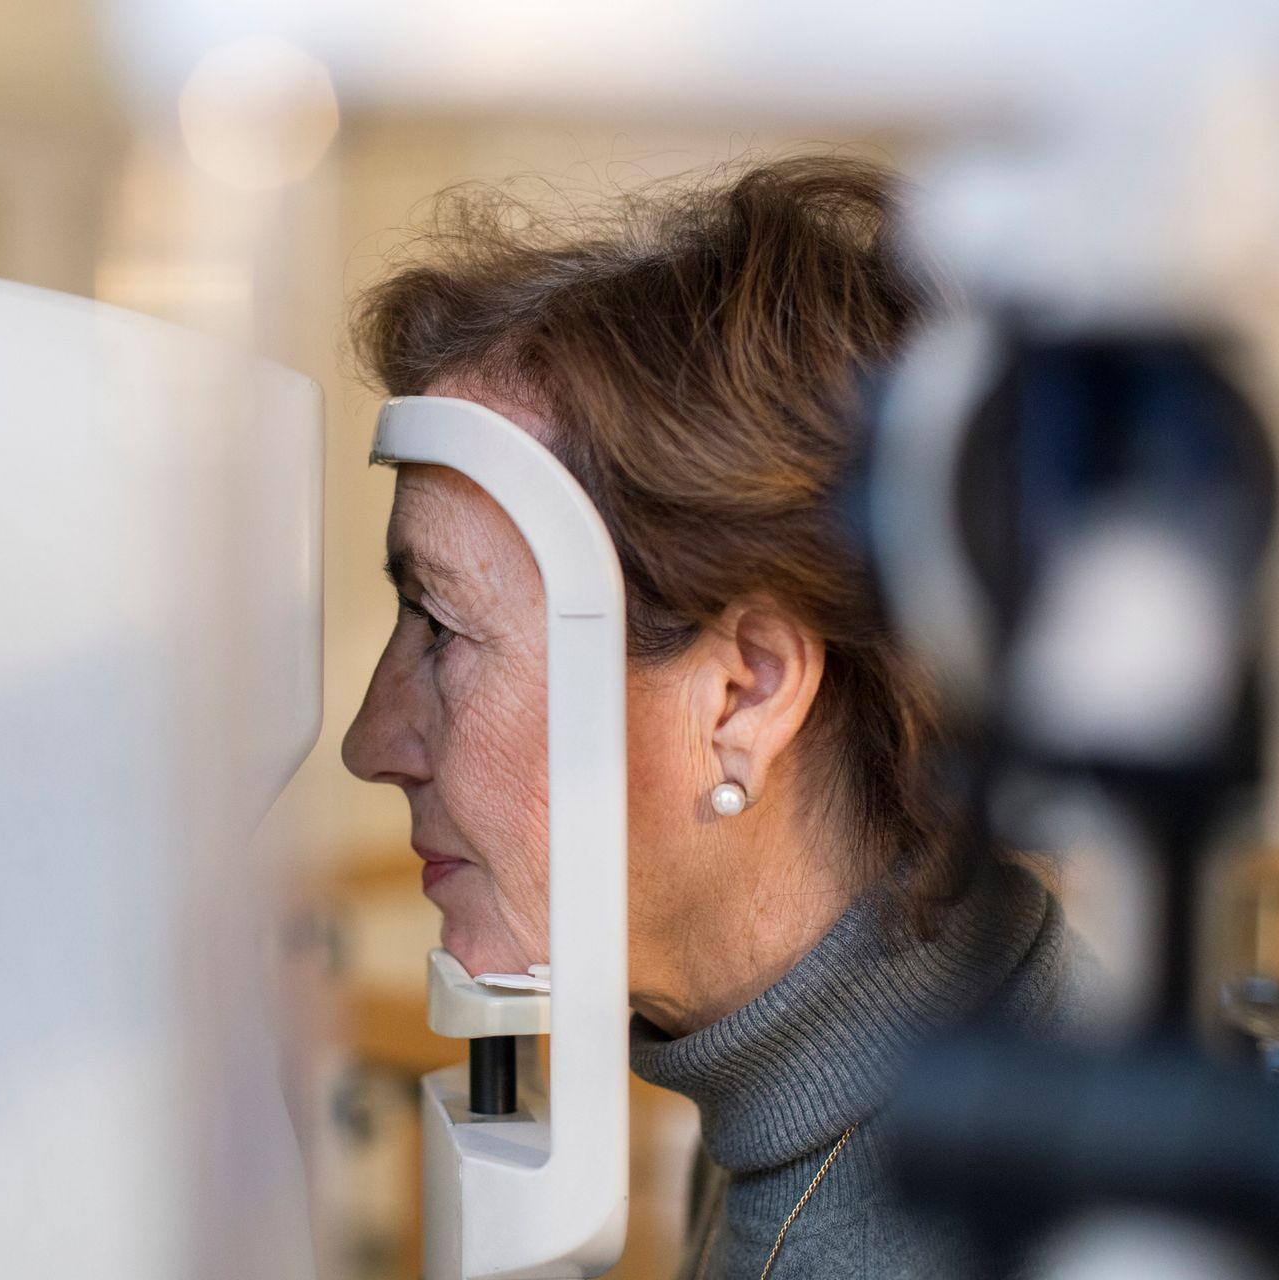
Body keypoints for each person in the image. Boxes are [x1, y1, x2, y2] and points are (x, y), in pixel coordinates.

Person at [340, 155, 1093, 1278]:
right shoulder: (869, 1073)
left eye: (442, 627)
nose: (371, 741)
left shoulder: (908, 1233)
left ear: (742, 693)